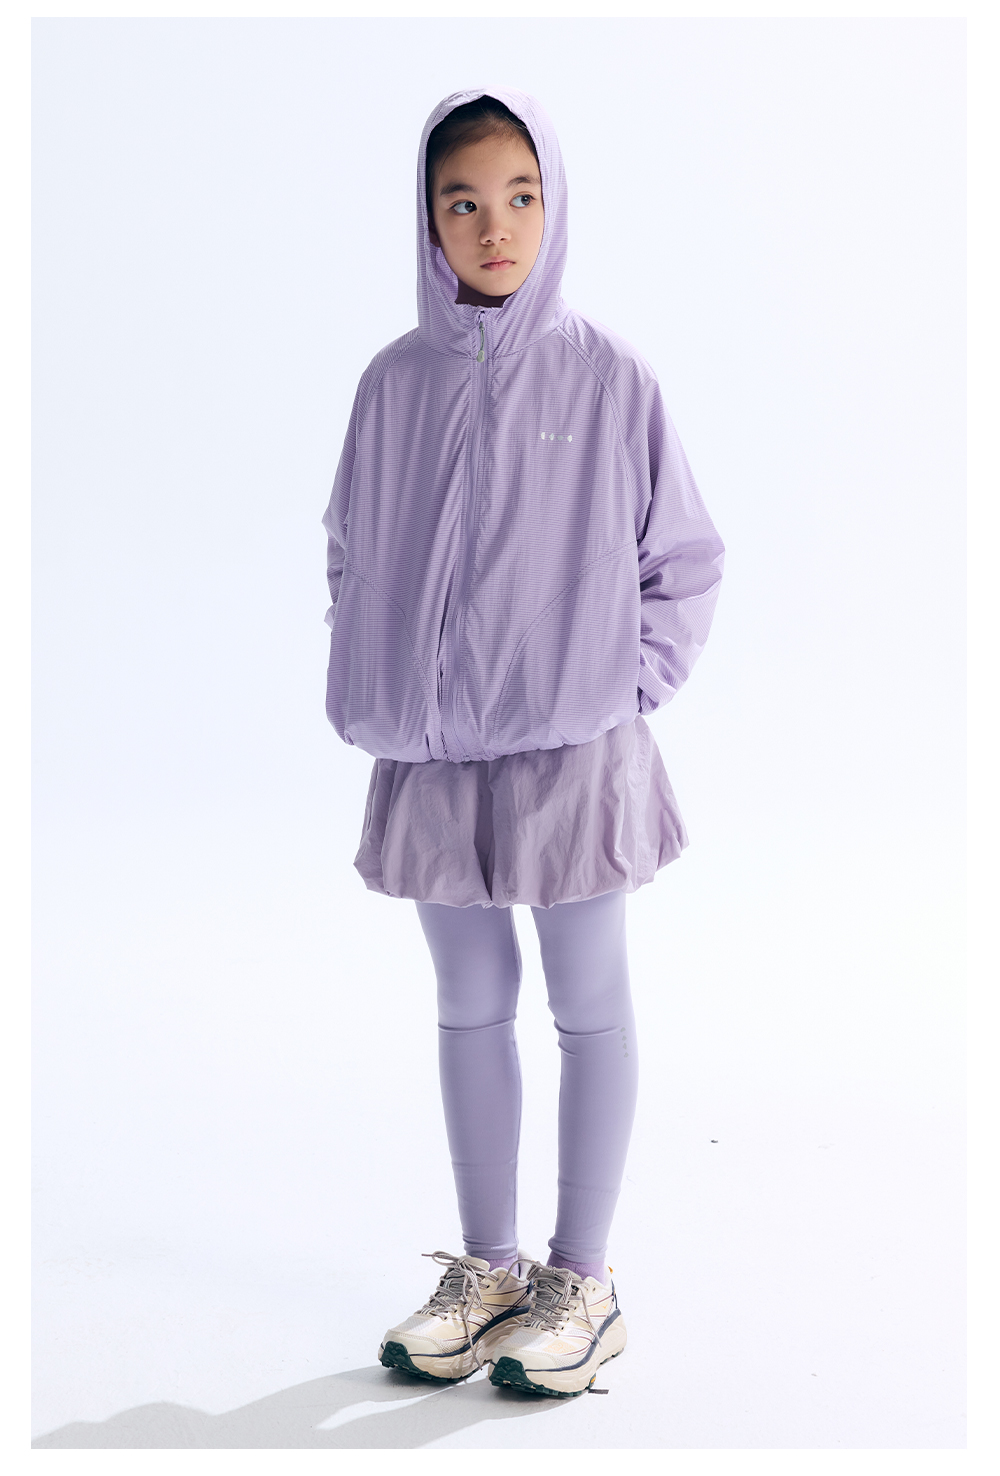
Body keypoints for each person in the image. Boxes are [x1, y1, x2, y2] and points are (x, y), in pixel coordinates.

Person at [322, 88, 725, 1399]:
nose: (494, 226)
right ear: (428, 222)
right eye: (463, 201)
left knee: (588, 1001)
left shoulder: (609, 377)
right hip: (436, 751)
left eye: (520, 196)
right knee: (468, 1001)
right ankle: (488, 1272)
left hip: (574, 752)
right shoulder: (393, 384)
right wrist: (387, 670)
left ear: (552, 206)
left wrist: (618, 685)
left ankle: (583, 1284)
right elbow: (349, 546)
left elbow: (685, 558)